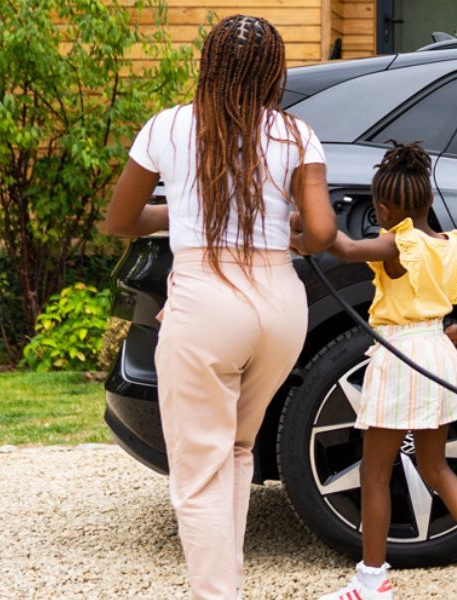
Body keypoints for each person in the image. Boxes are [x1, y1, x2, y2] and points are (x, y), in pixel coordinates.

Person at [99, 14, 336, 600]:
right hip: (280, 305)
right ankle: (226, 582)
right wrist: (293, 235)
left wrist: (177, 216)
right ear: (272, 71)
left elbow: (120, 221)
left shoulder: (168, 128)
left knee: (199, 470)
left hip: (206, 302)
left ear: (209, 64)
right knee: (235, 451)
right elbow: (324, 232)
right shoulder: (296, 134)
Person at [314, 141, 457, 600]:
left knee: (376, 472)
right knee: (435, 463)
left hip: (401, 356)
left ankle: (372, 580)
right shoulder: (452, 247)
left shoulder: (396, 244)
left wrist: (308, 218)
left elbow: (342, 247)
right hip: (438, 352)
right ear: (426, 200)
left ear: (384, 208)